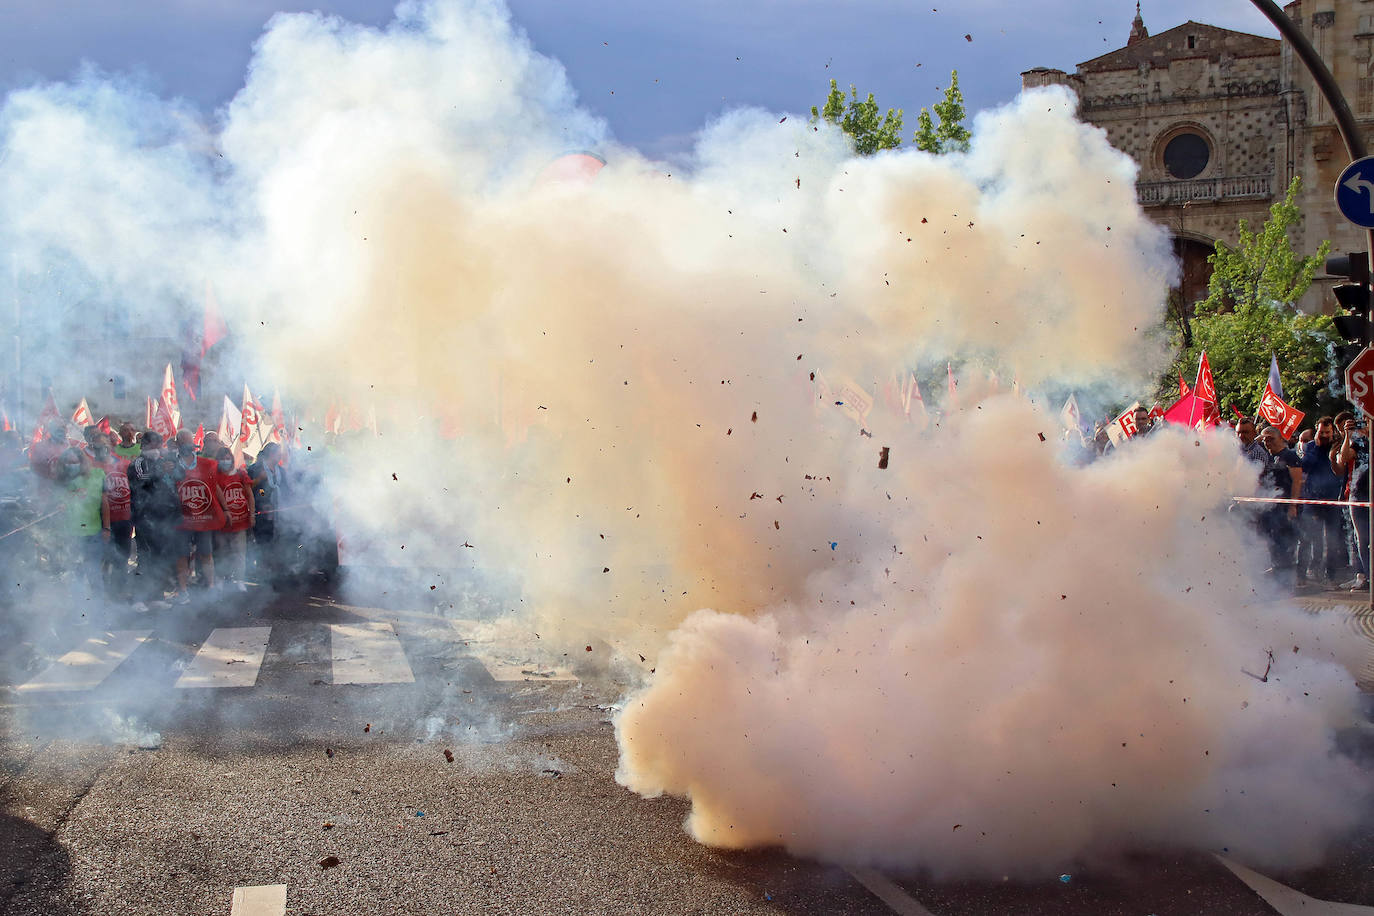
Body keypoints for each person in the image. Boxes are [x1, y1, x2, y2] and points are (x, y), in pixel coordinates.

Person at [49, 447, 108, 598]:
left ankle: (99, 611)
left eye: (74, 462)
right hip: (71, 535)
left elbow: (105, 502)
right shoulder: (60, 481)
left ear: (82, 462)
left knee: (94, 572)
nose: (71, 465)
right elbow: (56, 505)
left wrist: (107, 528)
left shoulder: (97, 474)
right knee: (76, 575)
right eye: (67, 462)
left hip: (93, 532)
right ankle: (79, 610)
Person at [128, 431, 177, 610]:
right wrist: (159, 470)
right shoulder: (138, 463)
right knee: (145, 558)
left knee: (160, 557)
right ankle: (138, 598)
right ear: (145, 445)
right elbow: (140, 479)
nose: (158, 448)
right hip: (143, 517)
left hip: (162, 517)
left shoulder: (161, 462)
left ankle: (157, 596)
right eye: (155, 444)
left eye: (160, 444)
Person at [171, 441, 225, 602]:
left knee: (206, 553)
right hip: (181, 519)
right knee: (181, 555)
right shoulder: (172, 465)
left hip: (204, 518)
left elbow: (215, 487)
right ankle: (183, 591)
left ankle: (211, 587)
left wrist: (226, 509)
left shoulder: (207, 464)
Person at [1295, 417, 1345, 586]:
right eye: (1321, 432)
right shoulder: (1310, 447)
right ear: (1316, 431)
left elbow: (1340, 470)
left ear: (1333, 432)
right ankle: (1302, 574)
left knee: (1332, 540)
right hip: (1312, 499)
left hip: (1332, 499)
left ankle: (1330, 576)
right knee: (1308, 537)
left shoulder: (1338, 446)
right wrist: (1315, 446)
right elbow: (1305, 467)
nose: (1324, 435)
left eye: (1327, 432)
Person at [88, 429, 135, 599]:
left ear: (110, 445)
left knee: (123, 557)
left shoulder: (123, 464)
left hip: (124, 518)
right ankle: (103, 593)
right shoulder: (91, 467)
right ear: (93, 447)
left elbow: (133, 489)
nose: (102, 449)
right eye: (98, 446)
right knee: (104, 557)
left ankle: (120, 591)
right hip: (101, 521)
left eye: (104, 445)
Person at [1258, 425, 1303, 588]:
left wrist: (1293, 505)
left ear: (1279, 438)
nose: (1267, 442)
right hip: (1272, 507)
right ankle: (1277, 572)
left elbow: (1297, 481)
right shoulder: (1269, 457)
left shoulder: (1289, 456)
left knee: (1285, 541)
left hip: (1285, 506)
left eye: (1270, 438)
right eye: (1265, 439)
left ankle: (1287, 577)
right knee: (1273, 541)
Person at [1332, 411, 1370, 591]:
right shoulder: (1358, 442)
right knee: (1362, 539)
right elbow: (1343, 458)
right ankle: (1366, 576)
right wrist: (1347, 435)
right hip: (1359, 494)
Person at [213, 446, 255, 592]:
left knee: (239, 553)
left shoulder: (241, 474)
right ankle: (220, 579)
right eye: (222, 458)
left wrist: (252, 514)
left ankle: (239, 580)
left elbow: (250, 495)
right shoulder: (215, 476)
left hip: (240, 520)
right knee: (221, 551)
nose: (225, 461)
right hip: (223, 522)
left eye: (228, 458)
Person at [248, 442, 285, 581]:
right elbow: (257, 490)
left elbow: (286, 488)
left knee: (277, 543)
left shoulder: (281, 470)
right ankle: (264, 572)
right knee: (264, 542)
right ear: (271, 454)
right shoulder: (255, 469)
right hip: (262, 515)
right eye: (278, 453)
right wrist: (264, 501)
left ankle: (275, 572)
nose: (280, 455)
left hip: (279, 514)